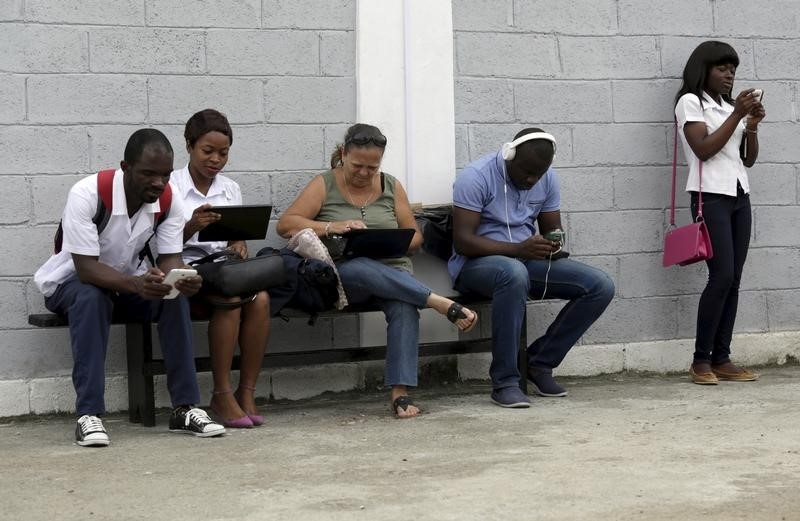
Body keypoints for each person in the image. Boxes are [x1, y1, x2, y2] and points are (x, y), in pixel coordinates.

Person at [34, 129, 225, 446]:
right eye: (148, 174)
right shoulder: (89, 194)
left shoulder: (168, 199)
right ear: (125, 167)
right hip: (71, 285)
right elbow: (86, 268)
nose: (158, 183)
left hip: (126, 285)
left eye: (164, 175)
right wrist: (136, 284)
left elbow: (170, 259)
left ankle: (185, 408)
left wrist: (183, 277)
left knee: (173, 295)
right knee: (91, 296)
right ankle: (89, 414)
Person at [277, 123, 478, 419]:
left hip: (393, 271)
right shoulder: (324, 183)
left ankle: (401, 393)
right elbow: (286, 224)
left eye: (372, 167)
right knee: (360, 266)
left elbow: (416, 236)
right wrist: (334, 227)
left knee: (404, 305)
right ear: (343, 154)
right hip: (348, 278)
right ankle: (437, 301)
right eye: (358, 165)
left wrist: (391, 241)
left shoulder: (391, 185)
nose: (364, 173)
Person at [450, 128, 615, 408]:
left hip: (526, 263)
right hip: (476, 266)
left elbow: (553, 228)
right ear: (508, 156)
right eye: (526, 172)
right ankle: (505, 382)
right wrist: (517, 250)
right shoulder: (476, 177)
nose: (531, 179)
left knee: (599, 286)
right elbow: (463, 241)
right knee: (512, 273)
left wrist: (553, 244)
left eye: (538, 174)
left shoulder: (546, 178)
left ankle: (539, 363)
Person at [171, 109, 271, 427]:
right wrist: (191, 226)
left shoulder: (230, 188)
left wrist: (239, 244)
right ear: (189, 146)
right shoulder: (171, 187)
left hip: (222, 268)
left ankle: (246, 391)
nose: (216, 160)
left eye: (223, 153)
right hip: (186, 271)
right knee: (230, 298)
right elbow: (155, 242)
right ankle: (221, 393)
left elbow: (235, 237)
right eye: (208, 151)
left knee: (262, 298)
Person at [674, 41, 765, 385]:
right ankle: (701, 360)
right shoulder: (690, 102)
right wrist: (737, 115)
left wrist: (751, 124)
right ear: (704, 68)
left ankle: (722, 358)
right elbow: (704, 149)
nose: (729, 75)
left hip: (739, 195)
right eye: (722, 68)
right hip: (709, 196)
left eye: (732, 70)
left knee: (735, 277)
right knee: (722, 276)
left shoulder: (728, 107)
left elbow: (748, 159)